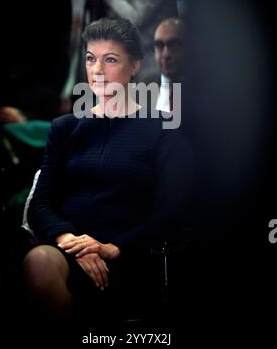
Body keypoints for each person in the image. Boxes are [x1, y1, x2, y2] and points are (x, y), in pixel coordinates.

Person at [22, 17, 193, 328]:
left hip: (131, 256)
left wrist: (113, 248)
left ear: (136, 65)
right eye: (91, 59)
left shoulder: (163, 129)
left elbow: (172, 210)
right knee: (38, 261)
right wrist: (71, 241)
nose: (97, 71)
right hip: (68, 254)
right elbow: (40, 204)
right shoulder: (64, 128)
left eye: (110, 60)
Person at [154, 17, 185, 113]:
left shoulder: (207, 92)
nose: (166, 54)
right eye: (159, 46)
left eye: (174, 45)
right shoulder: (140, 93)